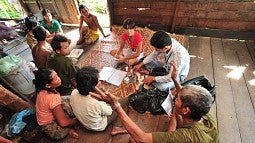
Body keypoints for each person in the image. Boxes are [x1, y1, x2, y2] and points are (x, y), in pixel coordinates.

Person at [102, 61, 219, 143]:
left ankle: (124, 129)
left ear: (186, 110)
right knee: (175, 114)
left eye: (177, 99)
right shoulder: (202, 110)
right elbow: (182, 94)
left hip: (185, 136)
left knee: (133, 139)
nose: (174, 98)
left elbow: (141, 138)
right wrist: (174, 78)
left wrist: (117, 106)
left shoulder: (187, 136)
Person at [70, 66, 128, 135]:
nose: (100, 81)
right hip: (98, 126)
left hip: (85, 123)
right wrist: (108, 100)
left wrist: (100, 95)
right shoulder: (95, 104)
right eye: (98, 80)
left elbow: (90, 93)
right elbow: (109, 111)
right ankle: (115, 127)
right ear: (93, 86)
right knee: (122, 102)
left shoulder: (74, 92)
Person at [33, 68, 79, 140]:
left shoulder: (41, 89)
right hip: (50, 127)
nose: (59, 79)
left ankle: (70, 126)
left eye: (57, 75)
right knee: (76, 115)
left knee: (70, 99)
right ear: (48, 85)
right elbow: (63, 123)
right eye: (56, 78)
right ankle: (69, 130)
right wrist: (79, 119)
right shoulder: (52, 98)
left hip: (50, 112)